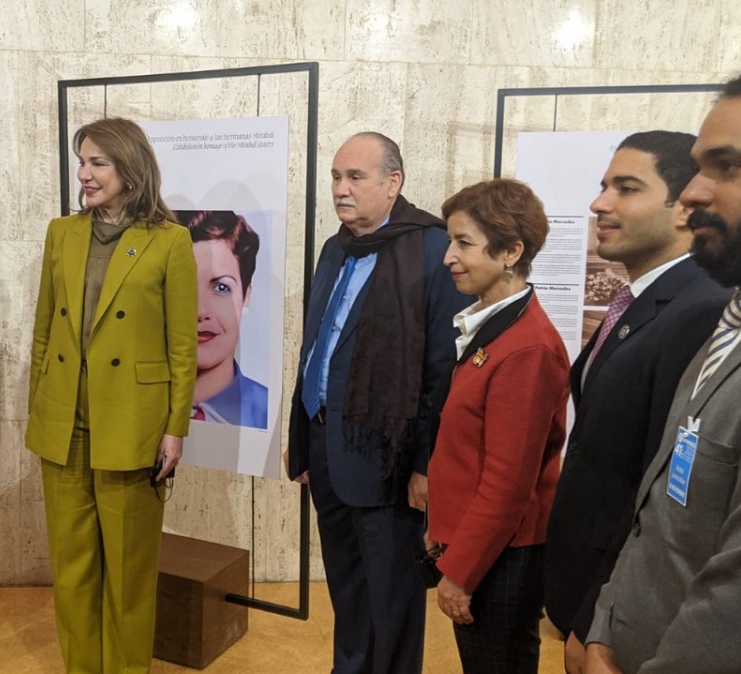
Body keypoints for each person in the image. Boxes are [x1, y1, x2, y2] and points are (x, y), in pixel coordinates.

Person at [585, 59, 741, 673]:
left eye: (728, 167)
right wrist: (604, 626)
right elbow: (657, 507)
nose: (695, 193)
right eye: (699, 167)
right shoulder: (737, 316)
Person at [543, 132, 730, 673]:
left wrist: (596, 617)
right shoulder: (645, 299)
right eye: (604, 187)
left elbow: (659, 490)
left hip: (616, 615)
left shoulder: (700, 311)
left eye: (626, 188)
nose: (599, 204)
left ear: (686, 208)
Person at [285, 131, 469, 673]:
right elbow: (315, 347)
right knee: (346, 590)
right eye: (336, 177)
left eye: (355, 178)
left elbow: (443, 368)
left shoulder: (433, 249)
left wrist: (425, 466)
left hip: (388, 461)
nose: (340, 190)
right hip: (328, 450)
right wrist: (303, 441)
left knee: (392, 602)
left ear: (393, 183)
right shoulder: (335, 246)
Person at [26, 117, 196, 674]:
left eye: (98, 162)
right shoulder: (63, 232)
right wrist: (40, 409)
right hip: (66, 425)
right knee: (73, 572)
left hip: (133, 426)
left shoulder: (170, 241)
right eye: (82, 161)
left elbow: (180, 347)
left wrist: (175, 428)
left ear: (131, 166)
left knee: (127, 575)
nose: (85, 173)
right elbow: (45, 329)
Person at [425, 179, 569, 673]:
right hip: (485, 544)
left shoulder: (527, 349)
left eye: (463, 243)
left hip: (502, 555)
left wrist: (461, 573)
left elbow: (508, 483)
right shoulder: (494, 327)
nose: (448, 256)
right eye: (451, 241)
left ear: (511, 251)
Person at [176, 209, 268, 429]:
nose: (200, 311)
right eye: (182, 286)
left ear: (246, 295)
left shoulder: (267, 412)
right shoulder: (137, 403)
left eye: (221, 287)